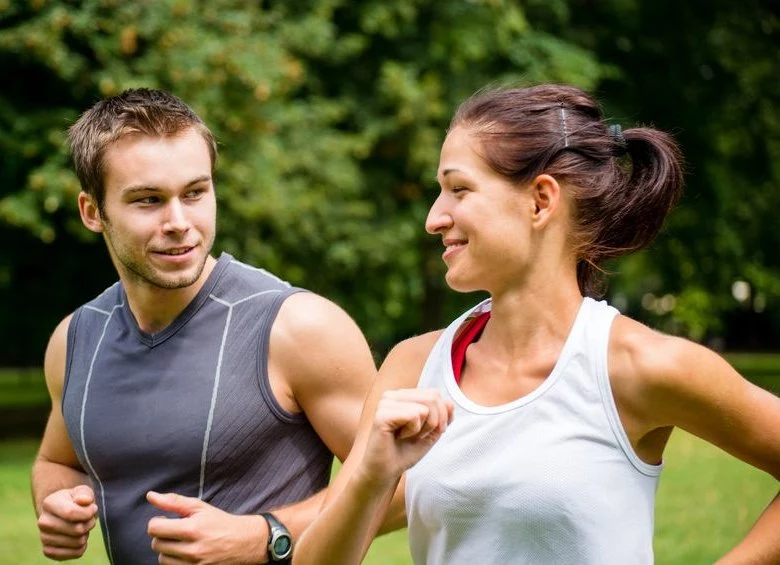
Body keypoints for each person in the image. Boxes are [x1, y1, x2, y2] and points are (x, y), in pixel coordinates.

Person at [293, 84, 780, 564]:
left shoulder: (639, 366)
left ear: (541, 201)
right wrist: (371, 477)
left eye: (459, 189)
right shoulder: (411, 368)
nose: (434, 218)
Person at [30, 88, 378, 565]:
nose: (179, 222)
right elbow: (57, 462)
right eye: (148, 200)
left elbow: (403, 483)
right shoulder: (74, 340)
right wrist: (58, 503)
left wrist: (266, 535)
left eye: (194, 193)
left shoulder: (298, 327)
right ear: (93, 212)